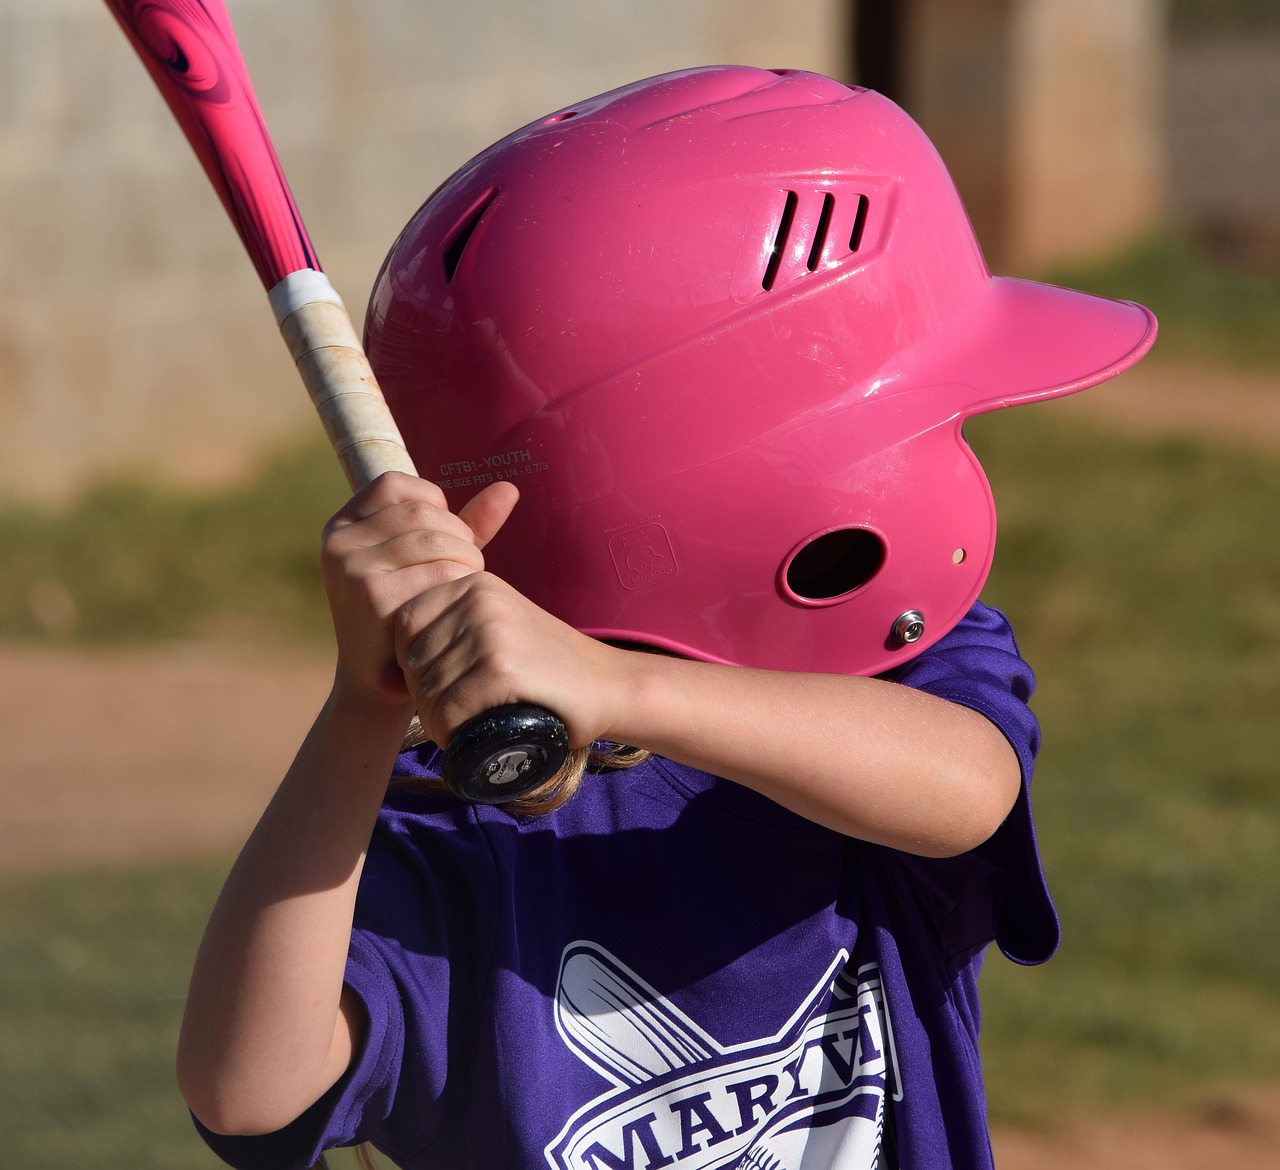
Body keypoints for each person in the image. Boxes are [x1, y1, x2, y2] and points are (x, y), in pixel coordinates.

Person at [177, 67, 1156, 1170]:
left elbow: (966, 791)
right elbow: (246, 1090)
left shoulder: (887, 704)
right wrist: (364, 709)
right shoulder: (461, 841)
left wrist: (622, 686)